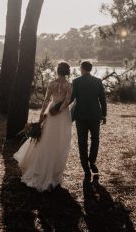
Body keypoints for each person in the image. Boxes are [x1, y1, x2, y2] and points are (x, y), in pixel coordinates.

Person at [13, 61, 72, 192]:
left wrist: (42, 115)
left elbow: (46, 100)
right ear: (67, 72)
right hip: (62, 115)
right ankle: (53, 173)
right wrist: (59, 110)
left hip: (51, 112)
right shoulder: (69, 85)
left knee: (46, 140)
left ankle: (41, 168)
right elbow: (67, 101)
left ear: (58, 71)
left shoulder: (51, 83)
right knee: (59, 142)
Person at [71, 60, 107, 182]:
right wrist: (104, 115)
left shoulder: (76, 81)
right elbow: (103, 99)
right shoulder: (97, 81)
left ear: (82, 68)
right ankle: (92, 161)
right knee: (95, 139)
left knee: (82, 141)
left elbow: (71, 98)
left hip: (80, 116)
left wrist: (59, 107)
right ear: (90, 69)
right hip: (95, 115)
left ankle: (85, 167)